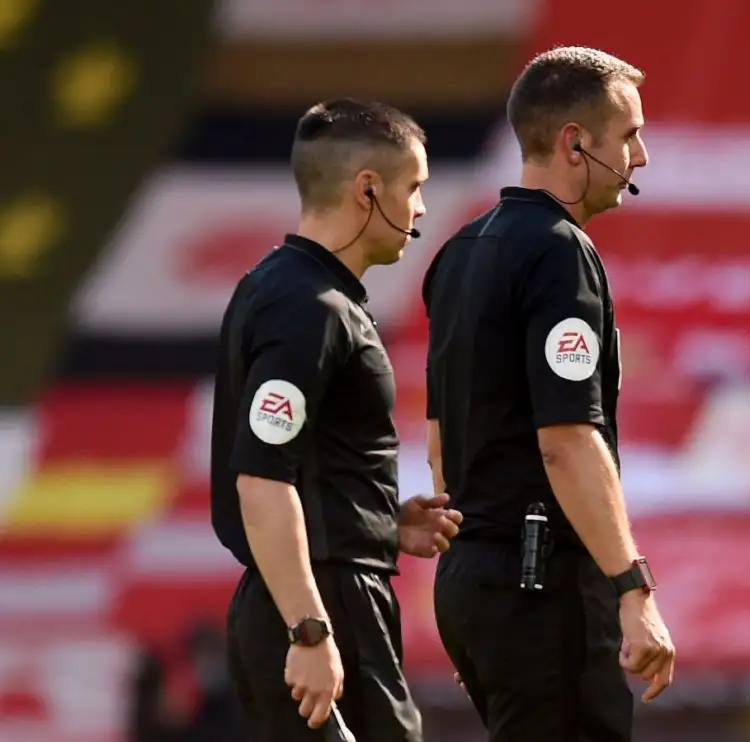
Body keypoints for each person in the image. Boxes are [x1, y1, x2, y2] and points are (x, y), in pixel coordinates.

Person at [422, 46, 675, 741]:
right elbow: (567, 441)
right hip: (541, 584)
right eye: (629, 136)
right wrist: (632, 588)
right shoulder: (561, 253)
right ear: (574, 143)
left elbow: (441, 440)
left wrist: (476, 600)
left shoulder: (459, 250)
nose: (641, 156)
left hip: (478, 581)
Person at [210, 98, 463, 742]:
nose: (421, 209)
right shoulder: (311, 308)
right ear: (368, 189)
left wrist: (379, 522)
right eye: (415, 188)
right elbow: (263, 479)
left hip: (320, 588)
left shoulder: (284, 288)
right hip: (322, 604)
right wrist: (309, 630)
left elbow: (305, 465)